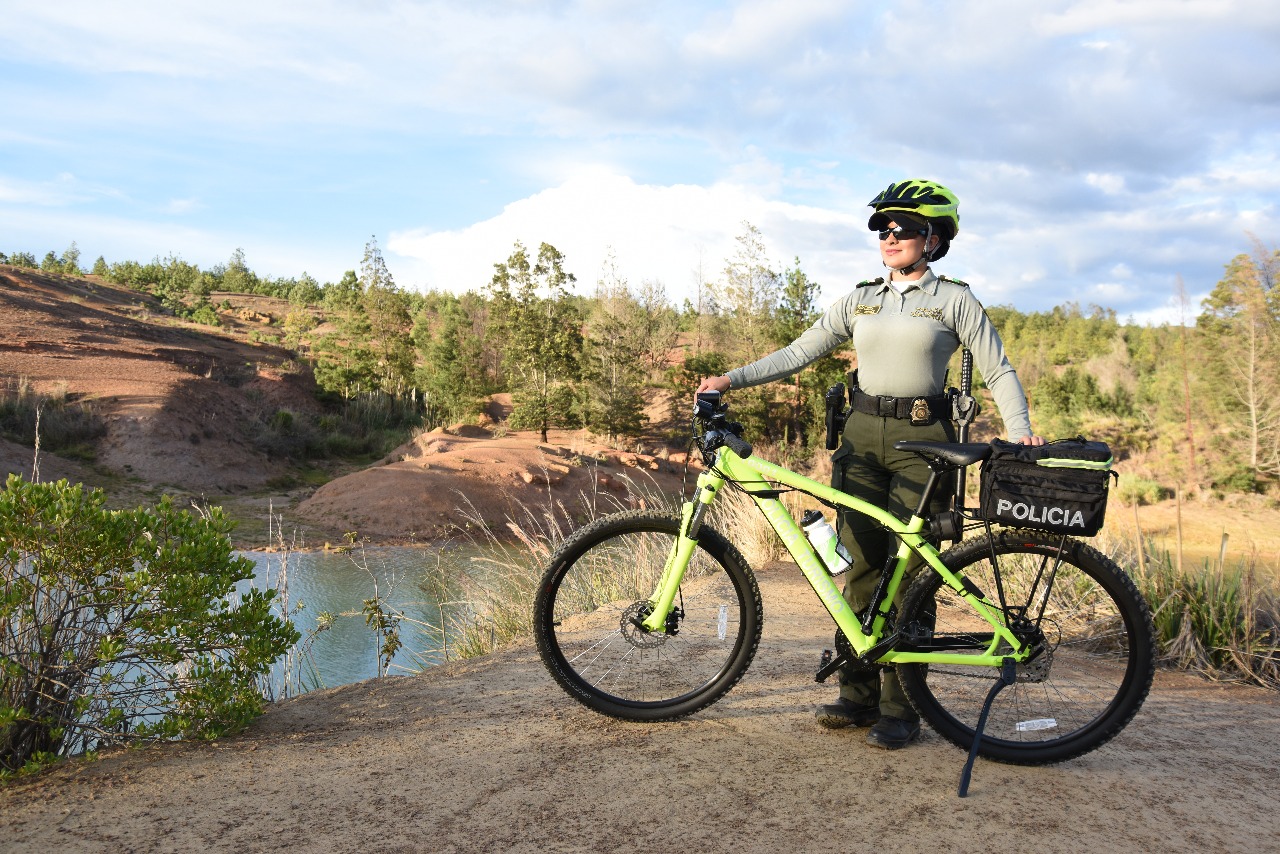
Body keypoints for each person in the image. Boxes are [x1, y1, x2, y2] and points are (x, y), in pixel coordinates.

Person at [696, 178, 1044, 750]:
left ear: (933, 239)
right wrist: (729, 378)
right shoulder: (861, 298)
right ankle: (855, 691)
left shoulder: (954, 299)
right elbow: (799, 352)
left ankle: (901, 706)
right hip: (859, 439)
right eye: (883, 228)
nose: (890, 236)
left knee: (908, 575)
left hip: (923, 439)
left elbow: (998, 369)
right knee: (857, 564)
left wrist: (1021, 431)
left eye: (903, 229)